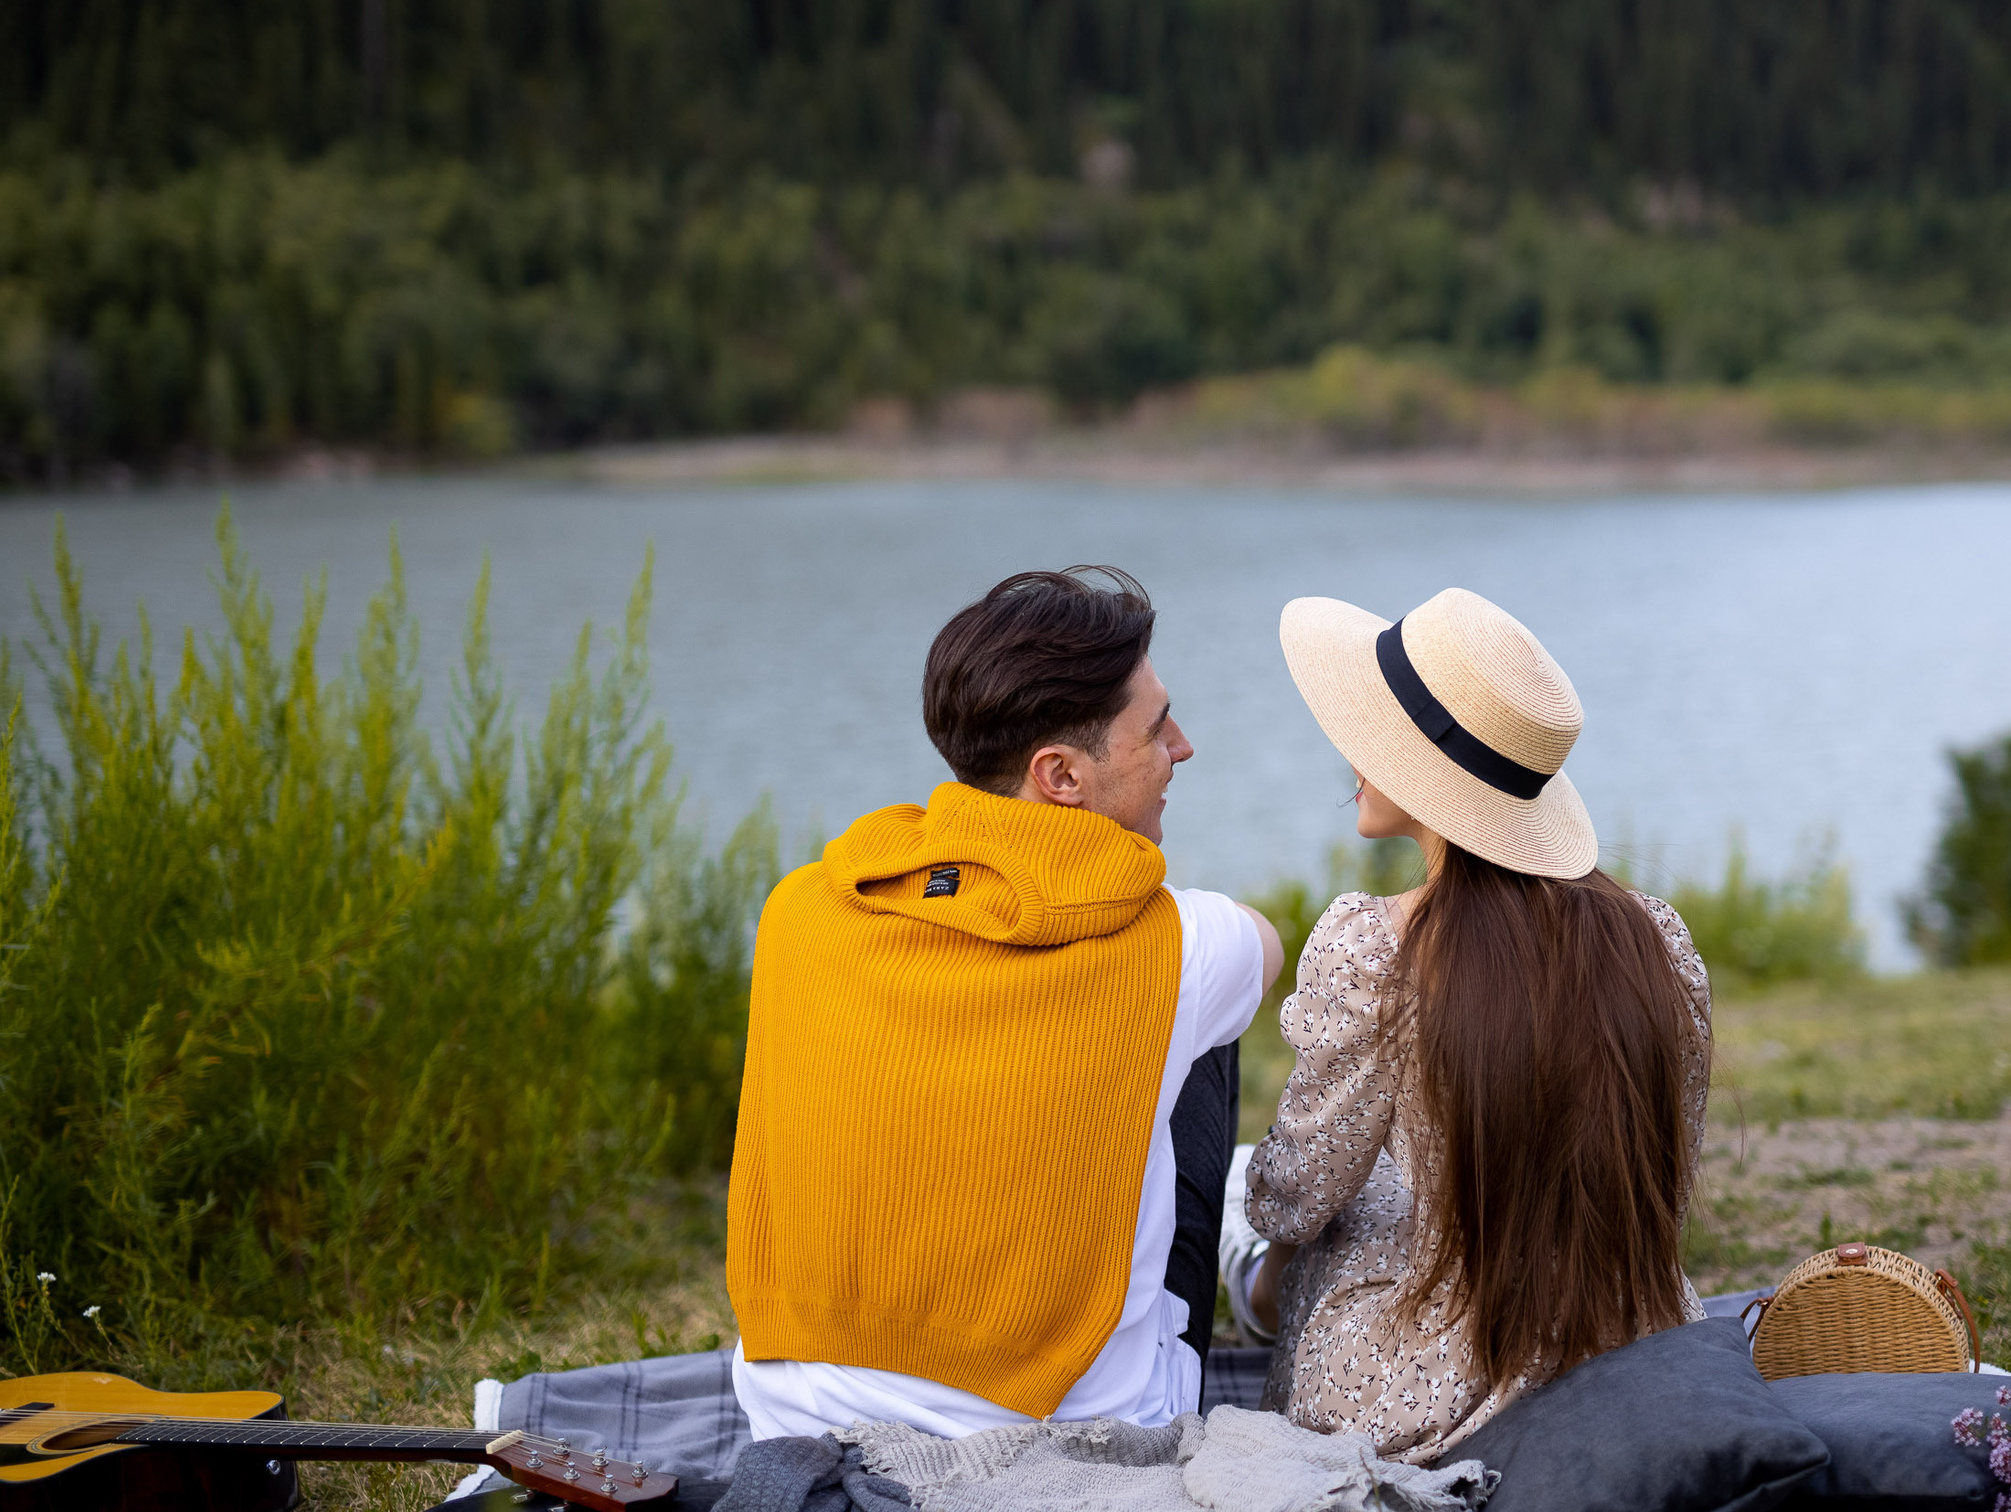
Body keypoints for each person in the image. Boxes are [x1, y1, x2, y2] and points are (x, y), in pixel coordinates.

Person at [726, 566, 1283, 1440]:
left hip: (793, 1414)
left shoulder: (798, 908)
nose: (1182, 744)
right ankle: (1243, 1277)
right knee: (1202, 1026)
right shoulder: (1177, 944)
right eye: (1154, 725)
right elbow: (1268, 943)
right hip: (1076, 1427)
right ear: (1059, 774)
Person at [1235, 586, 1712, 1464]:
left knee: (1333, 1209)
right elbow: (1663, 1185)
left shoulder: (1375, 946)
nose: (1352, 752)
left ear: (1424, 771)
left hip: (1427, 1372)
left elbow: (1293, 1196)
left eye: (1374, 732)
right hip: (1632, 1339)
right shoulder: (1659, 938)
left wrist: (1265, 1196)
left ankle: (1247, 1292)